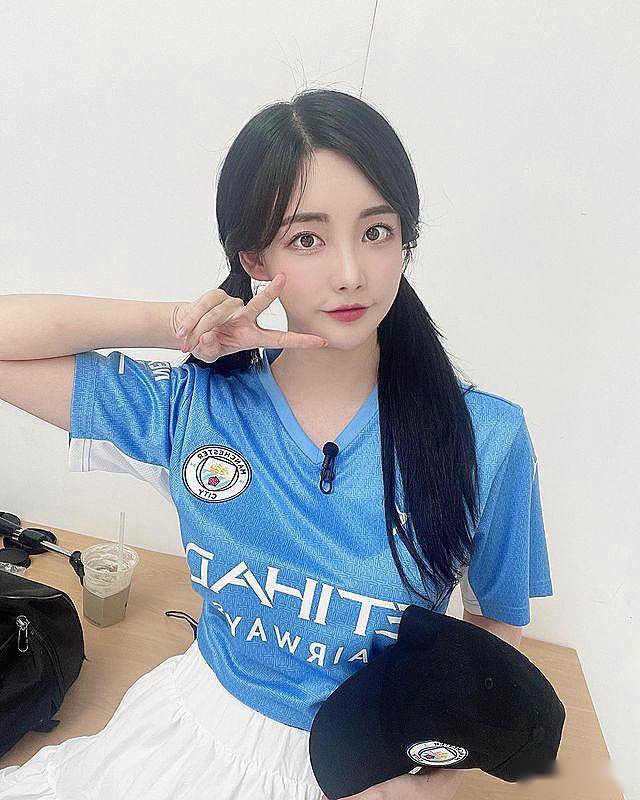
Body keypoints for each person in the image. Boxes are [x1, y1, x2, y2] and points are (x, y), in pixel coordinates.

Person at [0, 89, 553, 800]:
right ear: (255, 258)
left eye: (377, 231)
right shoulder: (193, 405)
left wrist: (433, 776)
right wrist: (176, 322)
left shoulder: (485, 439)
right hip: (187, 740)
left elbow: (495, 625)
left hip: (360, 768)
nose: (351, 271)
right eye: (307, 239)